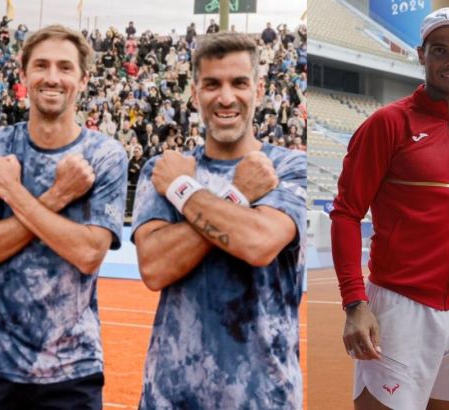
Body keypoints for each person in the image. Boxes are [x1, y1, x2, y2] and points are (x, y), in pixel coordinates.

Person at [330, 8, 449, 410]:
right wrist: (355, 304)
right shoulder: (387, 124)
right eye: (440, 50)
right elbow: (346, 213)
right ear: (421, 55)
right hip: (400, 307)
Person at [132, 31, 306, 409]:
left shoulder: (290, 168)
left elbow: (258, 243)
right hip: (170, 398)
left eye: (238, 83)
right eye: (212, 84)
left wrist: (182, 190)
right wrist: (238, 198)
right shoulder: (160, 169)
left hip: (265, 398)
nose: (226, 98)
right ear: (196, 95)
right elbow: (155, 266)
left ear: (258, 90)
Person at [0, 25, 128, 409]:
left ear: (83, 80)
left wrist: (15, 193)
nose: (52, 77)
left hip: (72, 371)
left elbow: (88, 254)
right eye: (41, 65)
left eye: (65, 68)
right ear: (23, 75)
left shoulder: (105, 155)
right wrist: (58, 196)